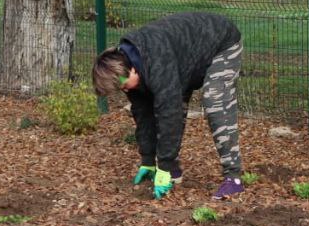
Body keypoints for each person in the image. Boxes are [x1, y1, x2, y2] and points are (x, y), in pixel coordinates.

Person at [92, 12, 244, 201]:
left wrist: (162, 165)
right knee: (170, 105)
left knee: (214, 102)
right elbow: (143, 114)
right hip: (186, 57)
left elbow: (168, 114)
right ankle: (173, 170)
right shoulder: (129, 68)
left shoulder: (157, 62)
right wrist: (148, 160)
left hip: (221, 42)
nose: (123, 89)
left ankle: (233, 177)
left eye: (122, 85)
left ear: (130, 69)